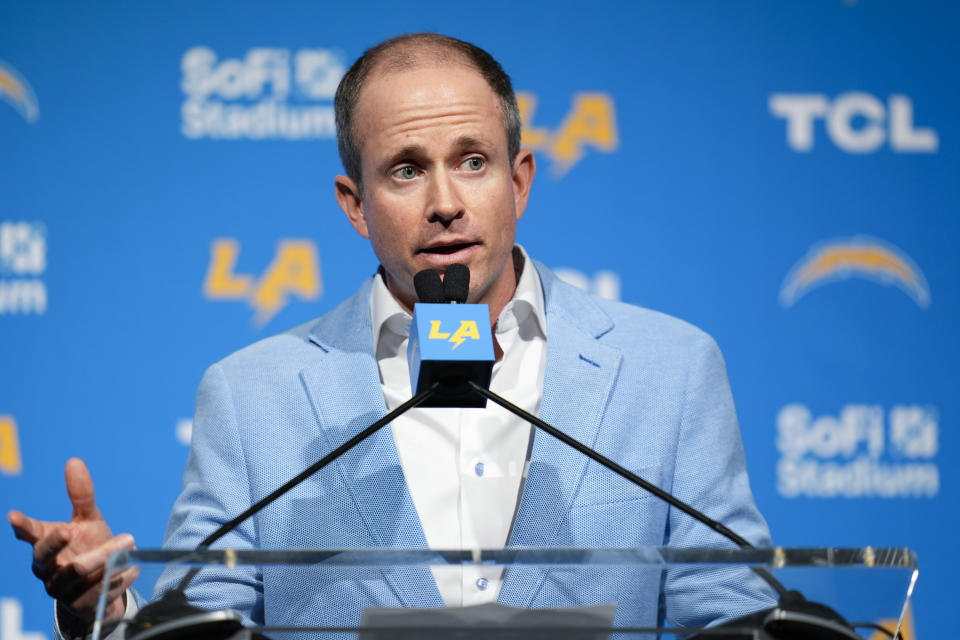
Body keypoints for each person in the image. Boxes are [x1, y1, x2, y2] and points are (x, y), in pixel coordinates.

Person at [9, 33, 774, 638]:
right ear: (354, 202)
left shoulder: (667, 370)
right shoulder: (251, 396)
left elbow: (736, 615)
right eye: (406, 170)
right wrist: (102, 608)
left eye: (472, 162)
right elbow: (200, 626)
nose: (445, 202)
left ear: (521, 179)